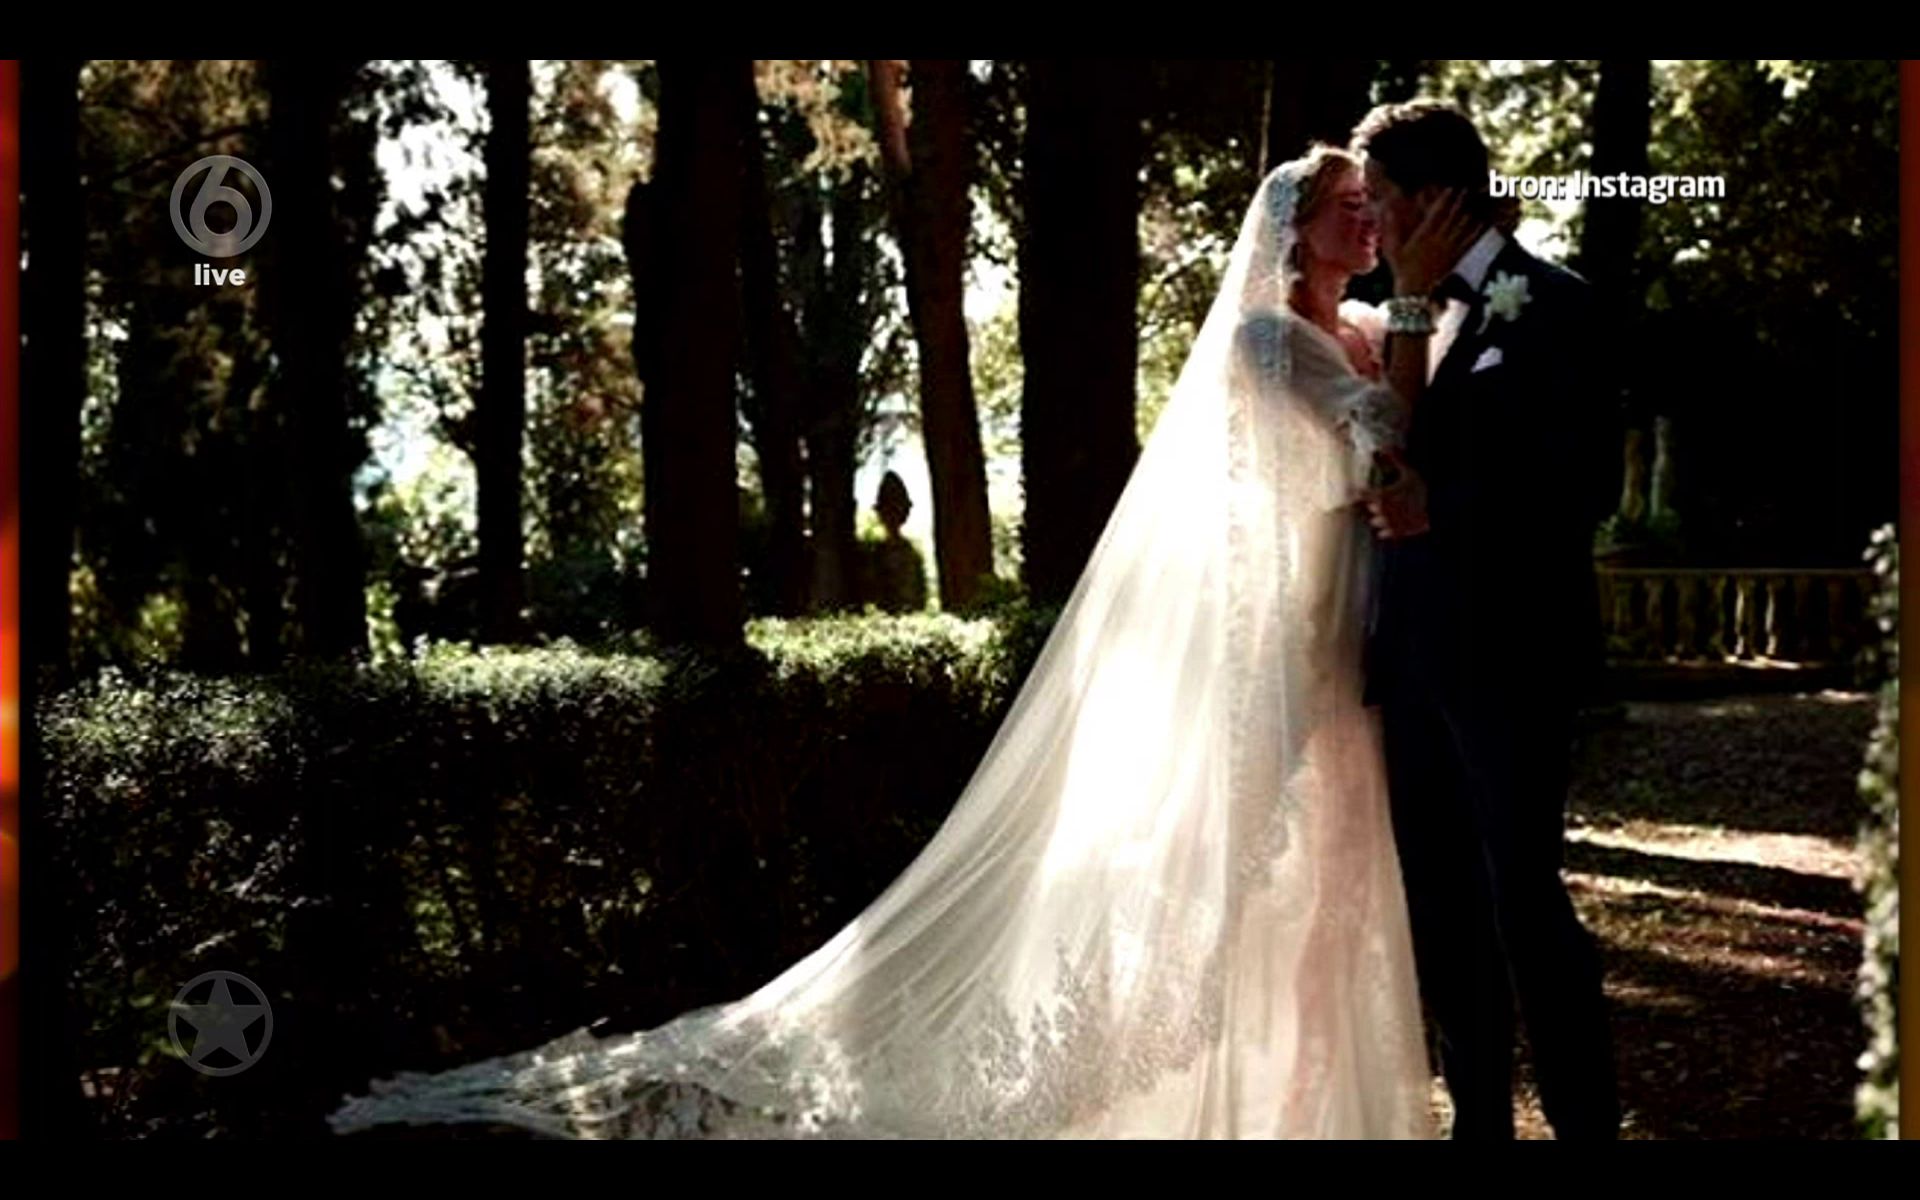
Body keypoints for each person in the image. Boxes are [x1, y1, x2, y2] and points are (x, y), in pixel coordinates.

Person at [328, 144, 1477, 1140]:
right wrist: (1418, 310)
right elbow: (1381, 436)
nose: (1369, 225)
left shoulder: (1365, 328)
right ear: (1293, 231)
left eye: (1371, 206)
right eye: (1348, 208)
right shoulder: (1272, 342)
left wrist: (1421, 314)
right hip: (1276, 638)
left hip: (1345, 630)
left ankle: (1302, 1101)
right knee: (1242, 878)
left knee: (1328, 879)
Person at [1352, 100, 1622, 1141]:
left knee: (1523, 901)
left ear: (1433, 199)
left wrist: (1445, 509)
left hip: (1512, 655)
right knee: (1442, 908)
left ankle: (1585, 1124)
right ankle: (1481, 1125)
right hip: (1414, 656)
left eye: (1380, 198)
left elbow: (1583, 483)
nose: (1370, 220)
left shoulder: (1557, 304)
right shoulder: (1406, 315)